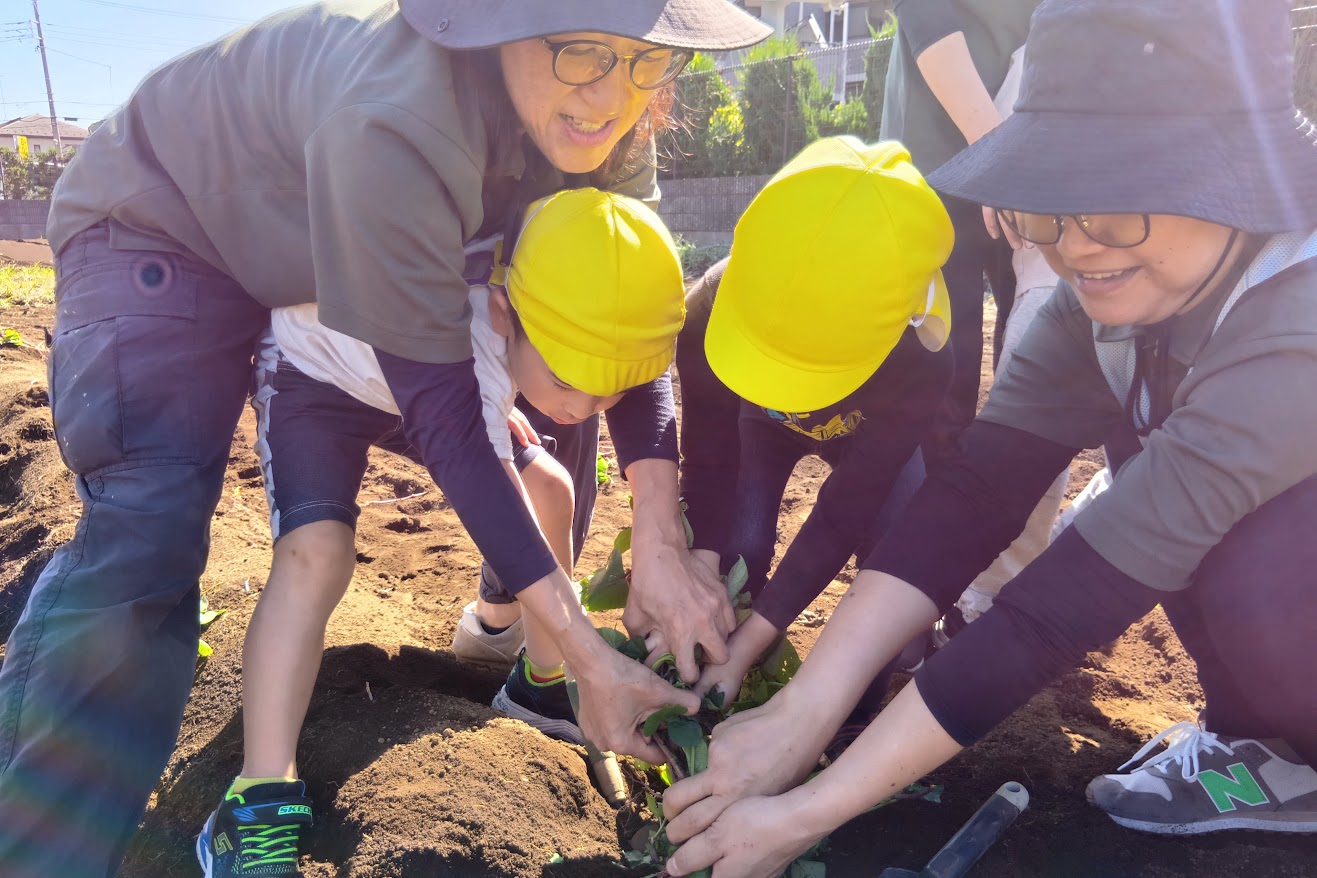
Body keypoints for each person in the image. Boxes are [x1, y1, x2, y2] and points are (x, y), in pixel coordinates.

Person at [0, 2, 771, 875]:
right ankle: (46, 854)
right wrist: (594, 654)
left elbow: (623, 313)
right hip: (170, 228)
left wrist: (661, 540)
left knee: (559, 461)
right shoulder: (399, 123)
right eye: (582, 52)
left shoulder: (606, 120)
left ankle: (510, 651)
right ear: (506, 26)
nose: (611, 94)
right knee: (150, 526)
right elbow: (448, 422)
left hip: (357, 288)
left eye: (644, 61)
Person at [658, 2, 1317, 874]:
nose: (1076, 250)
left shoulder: (1294, 319)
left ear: (1230, 179)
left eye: (1113, 212)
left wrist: (810, 808)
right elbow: (976, 491)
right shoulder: (1114, 298)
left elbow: (1059, 609)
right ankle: (1256, 740)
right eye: (1047, 209)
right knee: (1153, 482)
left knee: (1246, 562)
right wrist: (800, 713)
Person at [198, 188, 685, 876]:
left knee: (553, 487)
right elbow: (491, 509)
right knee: (318, 554)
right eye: (569, 378)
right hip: (323, 375)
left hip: (439, 383)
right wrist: (595, 660)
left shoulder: (539, 305)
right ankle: (257, 796)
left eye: (608, 390)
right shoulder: (468, 331)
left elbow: (516, 418)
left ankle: (538, 688)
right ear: (501, 313)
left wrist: (503, 393)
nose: (585, 407)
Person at [675, 136, 953, 725]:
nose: (785, 391)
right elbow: (707, 459)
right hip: (762, 431)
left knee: (894, 567)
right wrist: (698, 574)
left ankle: (851, 715)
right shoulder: (712, 306)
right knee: (737, 552)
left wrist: (754, 642)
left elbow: (844, 508)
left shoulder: (921, 353)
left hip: (867, 435)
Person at [880, 0, 1040, 469]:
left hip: (1032, 156)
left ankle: (1006, 511)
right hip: (938, 166)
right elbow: (926, 17)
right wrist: (994, 157)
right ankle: (932, 507)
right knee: (943, 363)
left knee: (1030, 347)